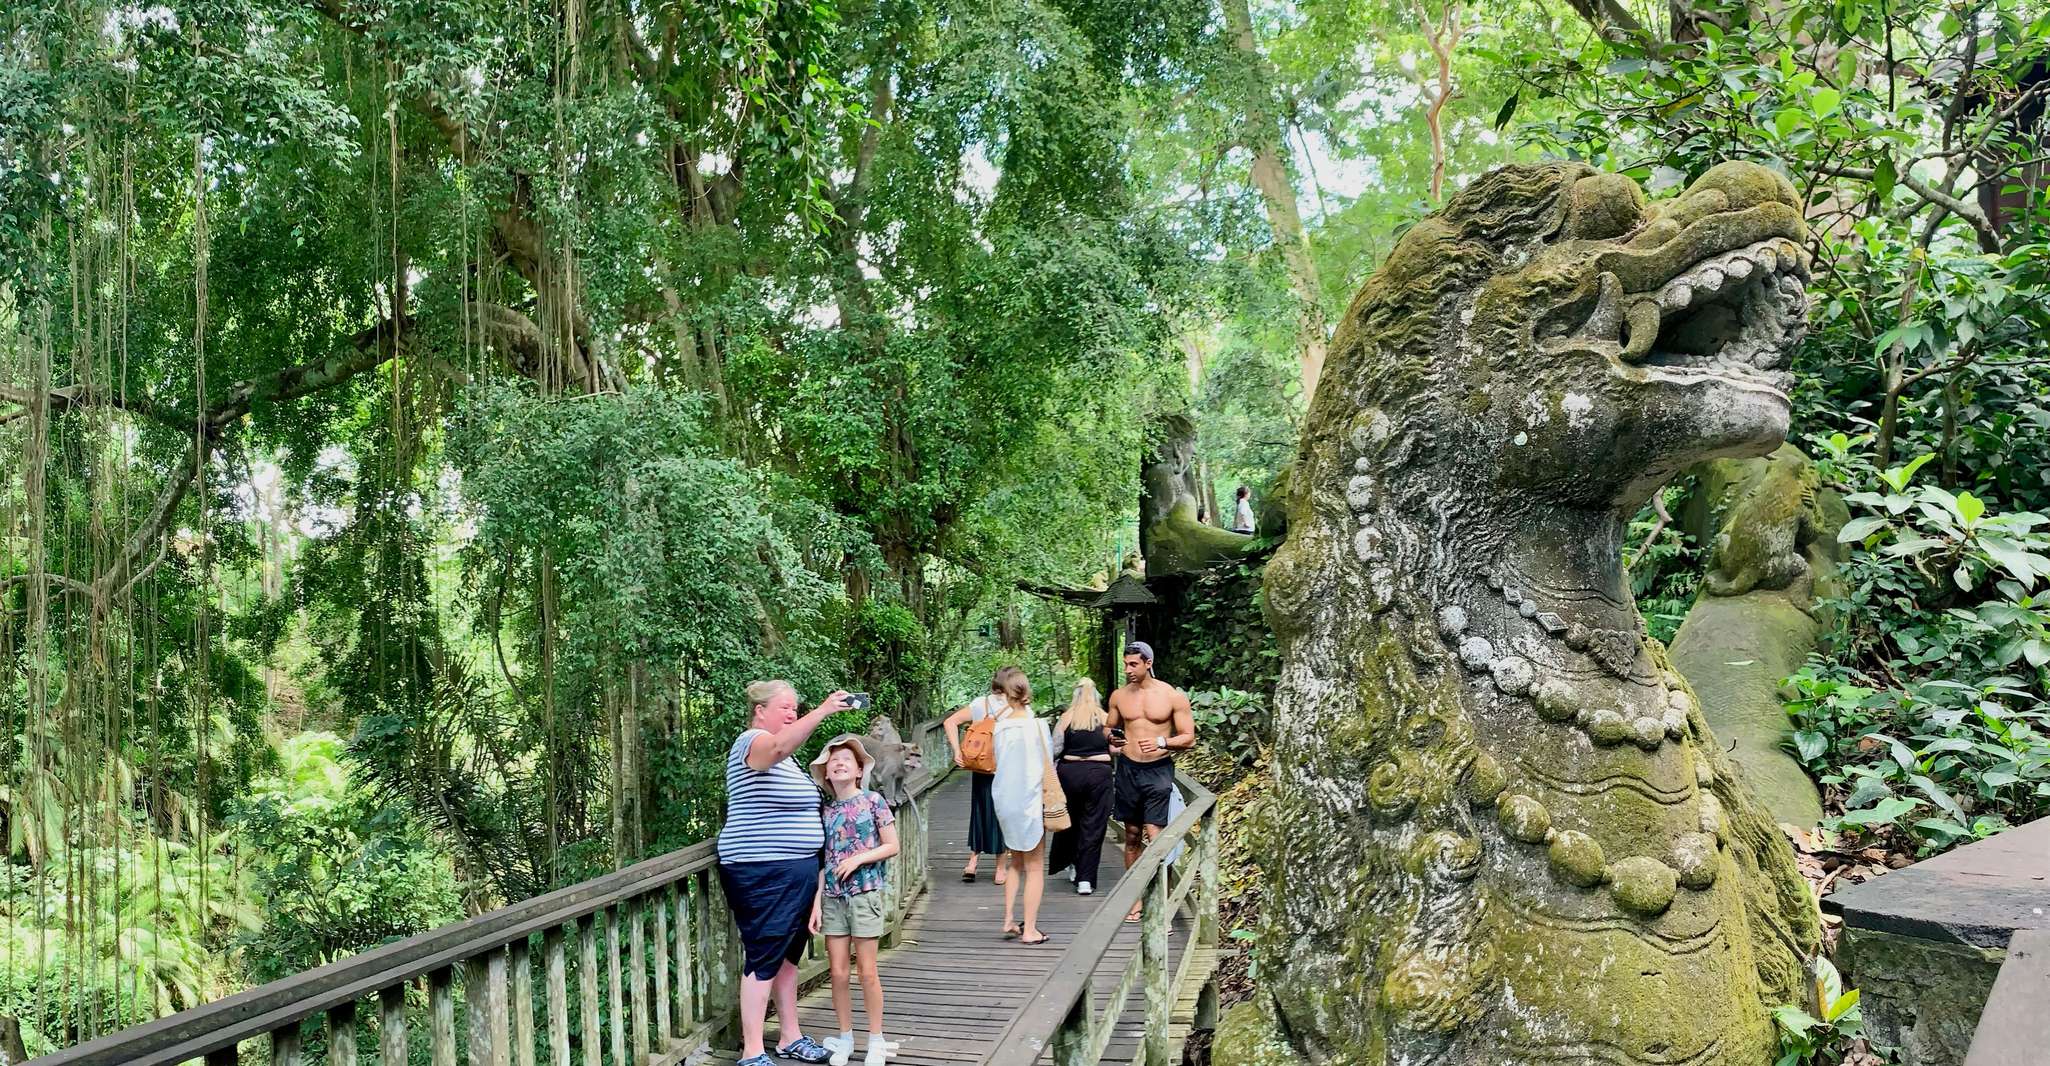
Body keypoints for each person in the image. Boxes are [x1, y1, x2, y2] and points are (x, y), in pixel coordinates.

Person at [716, 680, 850, 1066]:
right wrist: (824, 709)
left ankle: (790, 1036)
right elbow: (775, 748)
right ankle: (752, 1050)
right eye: (785, 708)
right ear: (761, 711)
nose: (792, 713)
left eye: (796, 708)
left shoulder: (788, 758)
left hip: (799, 870)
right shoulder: (752, 741)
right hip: (761, 869)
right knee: (763, 955)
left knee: (788, 957)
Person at [808, 736, 900, 1066]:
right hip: (833, 898)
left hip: (865, 894)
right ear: (827, 774)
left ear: (859, 770)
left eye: (847, 759)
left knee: (868, 971)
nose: (840, 763)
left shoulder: (874, 801)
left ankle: (876, 1039)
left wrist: (859, 859)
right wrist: (816, 902)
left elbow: (892, 845)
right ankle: (845, 1037)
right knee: (838, 972)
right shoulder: (825, 810)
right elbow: (823, 860)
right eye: (833, 762)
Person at [1107, 642, 1196, 923]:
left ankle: (1159, 905)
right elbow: (1108, 727)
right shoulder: (1119, 696)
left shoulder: (1172, 696)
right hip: (1128, 769)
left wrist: (1161, 741)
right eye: (1125, 664)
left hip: (1158, 770)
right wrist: (1112, 739)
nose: (1128, 669)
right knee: (1132, 835)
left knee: (1155, 834)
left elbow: (1188, 738)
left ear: (1148, 662)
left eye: (1133, 664)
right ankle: (1135, 900)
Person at [985, 666, 1052, 943]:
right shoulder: (1038, 726)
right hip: (1030, 800)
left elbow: (996, 761)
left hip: (1005, 800)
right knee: (1035, 865)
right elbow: (1047, 764)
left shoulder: (1000, 727)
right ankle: (1031, 929)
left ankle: (1009, 919)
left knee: (1015, 861)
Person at [942, 673, 1013, 884]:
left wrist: (957, 751)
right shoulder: (1014, 708)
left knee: (980, 812)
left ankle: (972, 862)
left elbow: (950, 722)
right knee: (1002, 815)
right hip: (1004, 769)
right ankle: (1000, 869)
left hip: (980, 767)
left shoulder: (980, 704)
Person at [1046, 679, 1113, 895]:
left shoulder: (1066, 718)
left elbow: (1055, 749)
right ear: (1096, 695)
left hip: (1070, 774)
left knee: (1071, 821)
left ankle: (1072, 864)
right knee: (1093, 826)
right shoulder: (1105, 719)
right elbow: (1116, 747)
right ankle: (1086, 878)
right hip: (1099, 775)